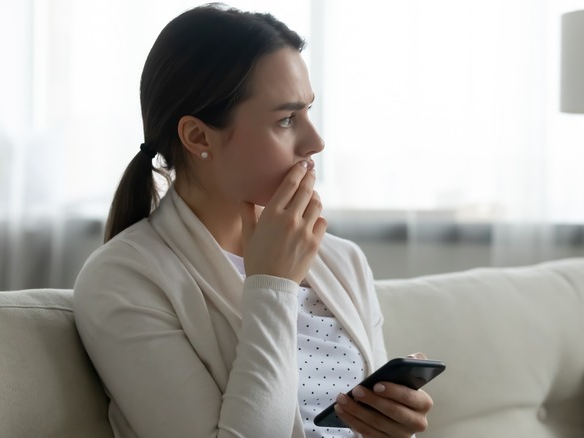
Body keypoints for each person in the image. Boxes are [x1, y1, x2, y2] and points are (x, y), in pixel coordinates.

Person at [73, 3, 434, 437]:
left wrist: (395, 428)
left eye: (308, 112)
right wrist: (272, 287)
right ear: (198, 136)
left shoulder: (343, 261)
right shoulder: (124, 279)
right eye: (285, 119)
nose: (315, 142)